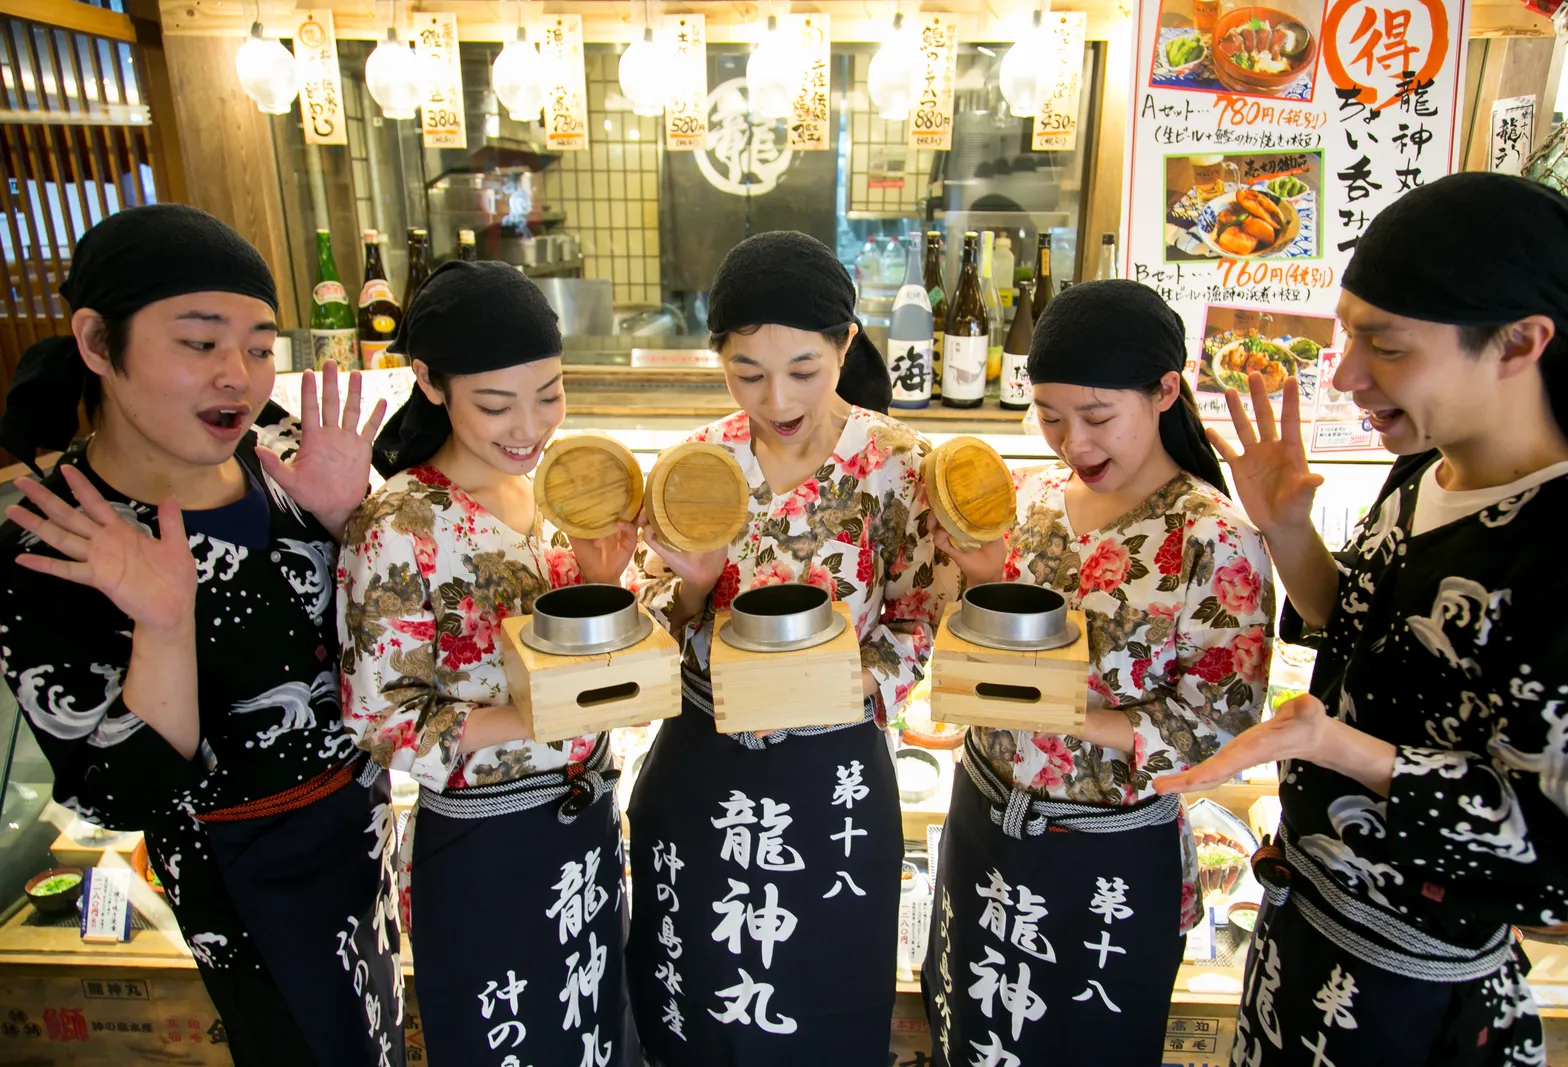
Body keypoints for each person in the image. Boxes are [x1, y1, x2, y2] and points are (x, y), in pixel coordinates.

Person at [1156, 172, 1568, 1065]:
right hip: (1303, 929)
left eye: (1386, 346)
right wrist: (1287, 530)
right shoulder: (1426, 465)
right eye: (1350, 332)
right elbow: (1356, 632)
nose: (1347, 374)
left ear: (1520, 342)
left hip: (1416, 989)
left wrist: (1339, 748)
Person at [0, 204, 402, 1066]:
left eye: (258, 348)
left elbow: (377, 639)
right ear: (97, 342)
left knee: (377, 1034)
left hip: (362, 829)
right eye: (199, 341)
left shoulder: (281, 449)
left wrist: (348, 522)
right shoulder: (54, 540)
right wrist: (162, 622)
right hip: (242, 878)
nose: (238, 377)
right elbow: (123, 795)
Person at [921, 280, 1274, 1067]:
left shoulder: (1214, 539)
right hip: (987, 825)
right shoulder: (1032, 499)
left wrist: (1065, 713)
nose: (1071, 442)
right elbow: (985, 642)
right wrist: (978, 576)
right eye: (1050, 417)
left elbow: (1220, 729)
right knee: (976, 1035)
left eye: (1096, 416)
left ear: (1165, 391)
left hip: (1106, 855)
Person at [624, 231, 935, 1066]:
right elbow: (655, 622)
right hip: (705, 760)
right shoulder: (697, 462)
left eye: (804, 368)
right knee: (703, 991)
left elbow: (917, 619)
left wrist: (843, 689)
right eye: (747, 373)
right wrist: (694, 585)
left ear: (846, 344)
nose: (777, 396)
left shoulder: (896, 464)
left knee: (821, 989)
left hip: (832, 766)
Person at [339, 260, 639, 1066]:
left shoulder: (552, 494)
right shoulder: (399, 522)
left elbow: (587, 657)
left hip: (584, 820)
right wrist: (531, 717)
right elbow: (380, 717)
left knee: (589, 1030)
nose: (529, 426)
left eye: (550, 393)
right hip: (484, 841)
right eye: (497, 404)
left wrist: (604, 579)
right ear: (430, 383)